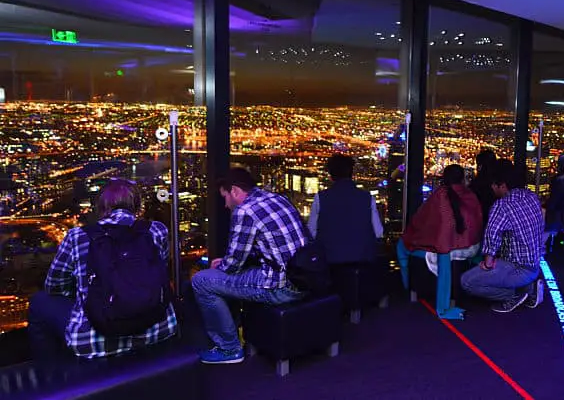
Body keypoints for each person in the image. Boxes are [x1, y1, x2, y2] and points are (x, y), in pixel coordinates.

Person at [28, 179, 177, 359]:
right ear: (138, 206)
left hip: (93, 342)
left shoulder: (78, 236)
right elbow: (161, 269)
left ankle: (47, 372)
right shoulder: (157, 230)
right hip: (159, 330)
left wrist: (85, 290)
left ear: (102, 207)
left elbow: (54, 285)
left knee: (39, 301)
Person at [192, 168, 307, 364]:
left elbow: (233, 265)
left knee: (201, 281)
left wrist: (218, 268)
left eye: (225, 197)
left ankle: (229, 349)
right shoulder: (276, 198)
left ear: (235, 191)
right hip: (303, 278)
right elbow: (274, 244)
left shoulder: (245, 210)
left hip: (279, 287)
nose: (226, 205)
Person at [397, 165, 482, 319]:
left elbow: (421, 222)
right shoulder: (471, 196)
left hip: (446, 250)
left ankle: (407, 289)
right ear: (463, 179)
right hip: (470, 249)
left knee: (402, 246)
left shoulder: (439, 196)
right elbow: (477, 225)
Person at [460, 160, 545, 313]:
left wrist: (487, 263)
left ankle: (516, 294)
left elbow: (492, 236)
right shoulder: (531, 196)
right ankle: (528, 286)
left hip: (519, 268)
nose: (492, 188)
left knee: (467, 282)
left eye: (494, 184)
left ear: (503, 185)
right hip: (535, 264)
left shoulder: (502, 205)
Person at [308, 154, 383, 264]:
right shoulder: (367, 198)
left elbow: (311, 231)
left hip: (329, 263)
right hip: (361, 263)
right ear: (351, 173)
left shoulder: (321, 198)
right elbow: (378, 232)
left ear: (331, 174)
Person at [469, 149, 497, 228]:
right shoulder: (498, 182)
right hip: (492, 222)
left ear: (480, 166)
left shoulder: (478, 183)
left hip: (478, 223)